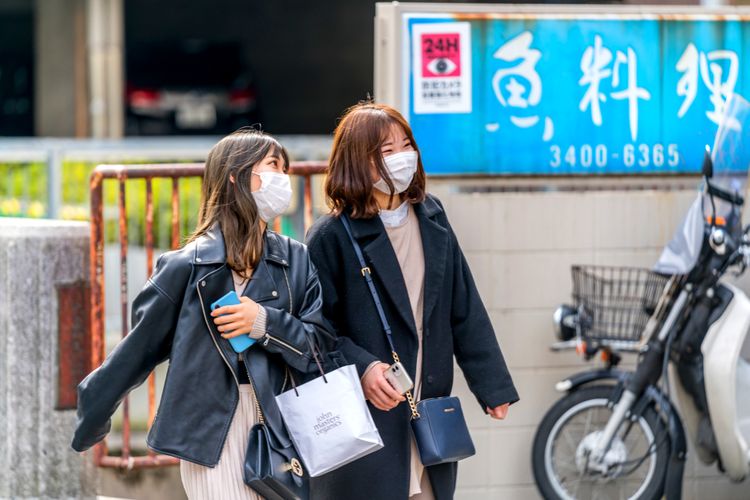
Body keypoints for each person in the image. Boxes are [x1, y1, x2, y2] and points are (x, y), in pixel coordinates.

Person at [72, 129, 334, 499]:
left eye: (285, 168)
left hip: (281, 424)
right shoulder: (187, 265)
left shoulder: (295, 257)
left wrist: (263, 322)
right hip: (211, 429)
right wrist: (94, 410)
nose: (283, 178)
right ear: (235, 175)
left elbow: (319, 345)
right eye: (273, 166)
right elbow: (139, 350)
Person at [306, 102, 519, 499]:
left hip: (428, 401)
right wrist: (364, 367)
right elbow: (315, 330)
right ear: (356, 161)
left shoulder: (431, 215)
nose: (402, 158)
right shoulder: (330, 237)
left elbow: (463, 304)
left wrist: (491, 385)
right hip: (371, 412)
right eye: (386, 151)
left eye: (406, 145)